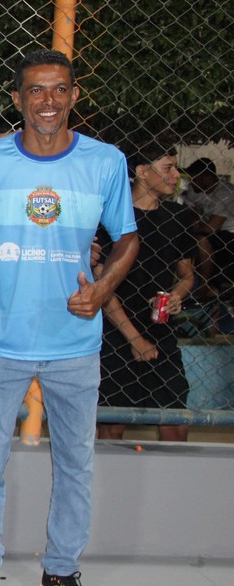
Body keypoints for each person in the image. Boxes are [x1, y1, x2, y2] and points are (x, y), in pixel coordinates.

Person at [0, 50, 138, 586]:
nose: (48, 101)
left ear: (75, 95)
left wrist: (103, 288)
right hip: (2, 339)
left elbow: (127, 237)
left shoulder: (105, 161)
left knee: (76, 463)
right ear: (17, 99)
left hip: (74, 342)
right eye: (35, 90)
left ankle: (60, 571)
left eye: (59, 89)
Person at [97, 141, 195, 442]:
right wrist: (134, 339)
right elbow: (101, 286)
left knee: (175, 421)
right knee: (111, 424)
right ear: (142, 171)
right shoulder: (110, 215)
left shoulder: (178, 217)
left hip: (159, 329)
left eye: (176, 168)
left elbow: (187, 275)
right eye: (168, 168)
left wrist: (177, 295)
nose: (175, 175)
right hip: (115, 332)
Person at [180, 157, 234, 298]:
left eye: (195, 179)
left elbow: (210, 229)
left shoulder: (225, 193)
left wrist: (195, 221)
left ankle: (204, 286)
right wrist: (195, 220)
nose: (191, 183)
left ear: (206, 177)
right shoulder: (195, 190)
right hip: (205, 231)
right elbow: (186, 211)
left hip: (228, 235)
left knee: (201, 240)